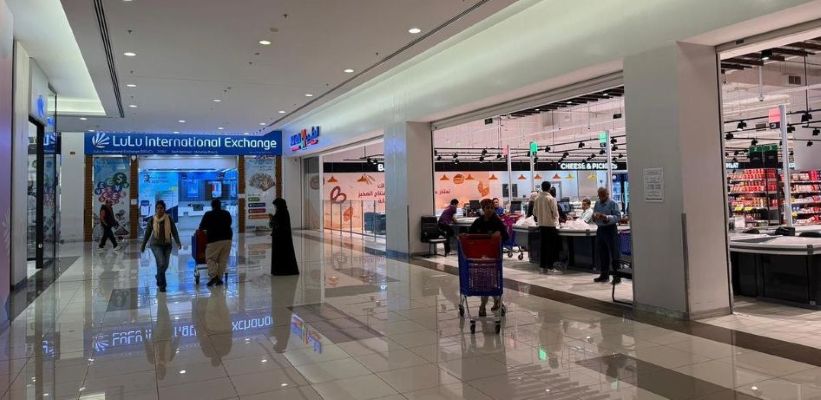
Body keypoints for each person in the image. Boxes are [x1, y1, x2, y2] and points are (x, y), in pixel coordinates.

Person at [468, 199, 508, 317]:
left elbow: (506, 236)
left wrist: (499, 234)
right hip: (480, 257)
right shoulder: (478, 222)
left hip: (493, 256)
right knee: (484, 281)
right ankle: (493, 303)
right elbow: (470, 235)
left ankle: (487, 304)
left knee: (492, 280)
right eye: (487, 208)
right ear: (483, 209)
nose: (490, 210)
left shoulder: (497, 221)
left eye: (491, 208)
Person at [141, 200, 181, 292]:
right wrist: (143, 245)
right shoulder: (152, 219)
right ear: (155, 209)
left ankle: (159, 276)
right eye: (158, 208)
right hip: (155, 245)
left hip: (167, 245)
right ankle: (162, 285)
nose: (159, 210)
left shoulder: (169, 218)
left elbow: (174, 231)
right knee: (161, 263)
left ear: (164, 209)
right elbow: (147, 233)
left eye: (161, 208)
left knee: (165, 265)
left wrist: (178, 242)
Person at [198, 199, 233, 287]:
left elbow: (201, 227)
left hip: (214, 240)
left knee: (210, 258)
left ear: (212, 206)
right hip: (227, 239)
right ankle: (220, 279)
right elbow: (229, 223)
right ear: (220, 205)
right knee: (223, 260)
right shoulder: (226, 213)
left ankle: (214, 276)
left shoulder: (208, 214)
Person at [593, 187, 622, 283]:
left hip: (610, 230)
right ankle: (604, 275)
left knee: (614, 253)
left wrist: (606, 217)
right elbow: (594, 214)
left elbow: (618, 217)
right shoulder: (597, 203)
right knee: (602, 253)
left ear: (607, 194)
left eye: (602, 195)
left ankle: (617, 276)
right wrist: (594, 217)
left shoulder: (613, 203)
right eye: (599, 195)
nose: (601, 197)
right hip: (600, 229)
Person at [533, 182, 560, 270]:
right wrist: (555, 218)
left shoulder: (537, 198)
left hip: (541, 225)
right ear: (549, 188)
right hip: (550, 225)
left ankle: (542, 266)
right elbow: (555, 213)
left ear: (542, 188)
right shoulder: (551, 198)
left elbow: (534, 213)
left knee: (543, 247)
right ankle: (550, 267)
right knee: (551, 247)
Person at [270, 198, 299, 275]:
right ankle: (279, 270)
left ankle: (282, 270)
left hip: (282, 238)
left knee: (283, 254)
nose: (275, 207)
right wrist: (273, 219)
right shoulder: (281, 211)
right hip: (279, 236)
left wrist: (273, 218)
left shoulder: (283, 212)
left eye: (276, 205)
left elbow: (280, 224)